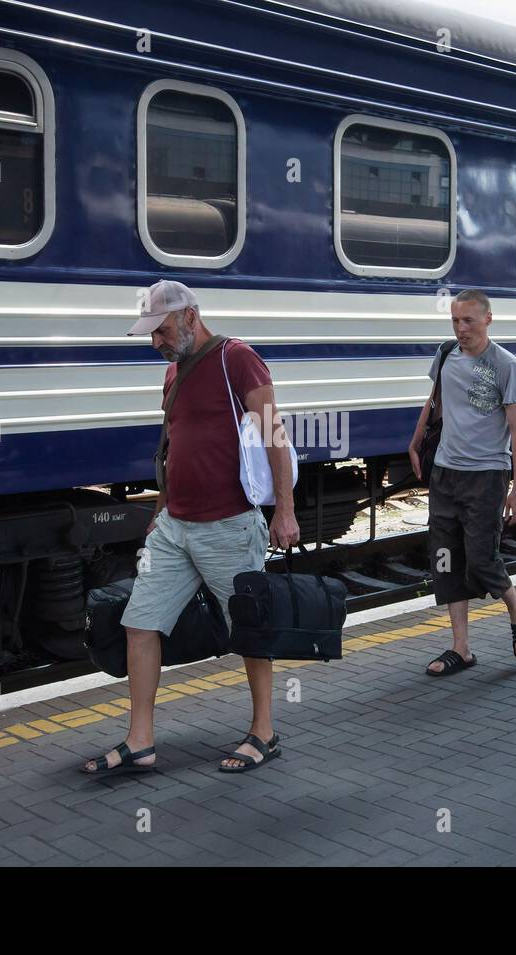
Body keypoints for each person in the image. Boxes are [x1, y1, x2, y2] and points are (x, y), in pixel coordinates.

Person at [82, 280, 300, 775]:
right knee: (139, 622)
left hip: (228, 524)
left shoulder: (237, 359)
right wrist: (161, 509)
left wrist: (283, 510)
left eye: (161, 330)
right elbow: (173, 449)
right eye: (150, 333)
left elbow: (274, 437)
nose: (155, 341)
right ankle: (140, 740)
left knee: (246, 627)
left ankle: (264, 732)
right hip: (174, 527)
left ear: (190, 316)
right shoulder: (171, 374)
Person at [406, 289, 516, 675]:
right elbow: (434, 403)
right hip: (446, 473)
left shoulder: (506, 365)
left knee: (481, 560)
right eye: (455, 321)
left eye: (468, 321)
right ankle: (460, 648)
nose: (461, 329)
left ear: (488, 320)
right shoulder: (446, 354)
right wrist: (415, 441)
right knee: (445, 561)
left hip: (486, 477)